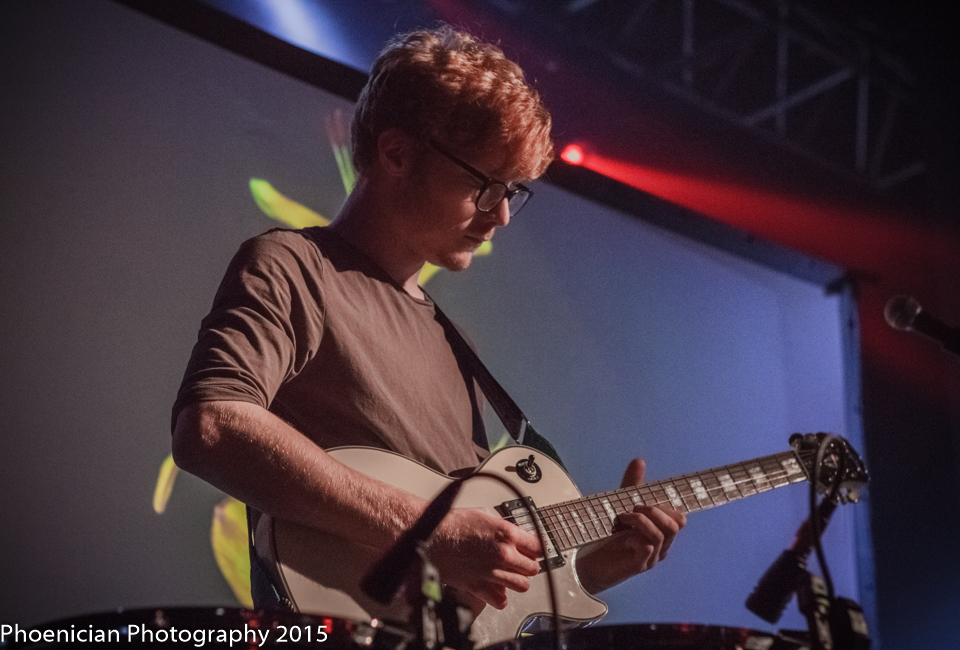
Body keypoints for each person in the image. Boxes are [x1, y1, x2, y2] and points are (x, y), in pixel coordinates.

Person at [171, 25, 685, 621]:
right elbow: (212, 426)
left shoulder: (453, 343)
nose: (501, 215)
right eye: (484, 184)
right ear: (396, 153)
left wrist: (591, 570)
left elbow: (471, 581)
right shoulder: (293, 266)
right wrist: (428, 531)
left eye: (512, 191)